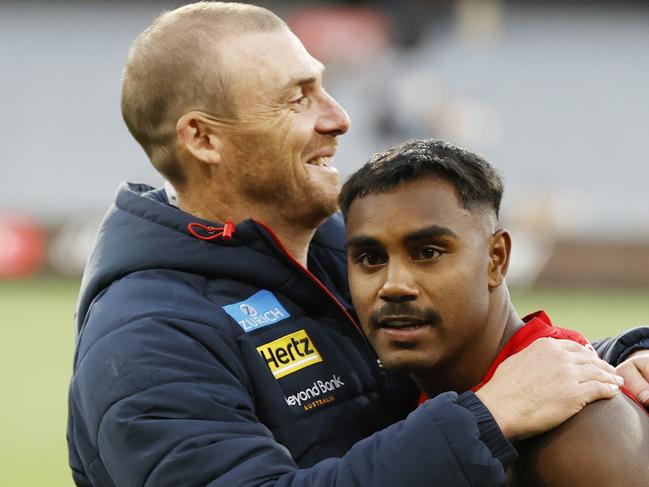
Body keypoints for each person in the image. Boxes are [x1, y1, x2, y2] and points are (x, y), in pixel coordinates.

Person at [67, 3, 649, 486]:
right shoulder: (147, 335)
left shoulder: (340, 247)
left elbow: (480, 358)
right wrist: (485, 418)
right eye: (298, 98)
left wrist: (618, 357)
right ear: (203, 139)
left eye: (326, 88)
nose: (339, 118)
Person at [340, 138, 649, 486]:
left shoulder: (579, 433)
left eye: (427, 252)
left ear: (496, 259)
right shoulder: (422, 400)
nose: (393, 285)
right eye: (370, 259)